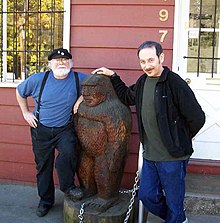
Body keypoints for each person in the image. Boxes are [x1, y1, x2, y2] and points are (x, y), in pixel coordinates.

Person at [92, 41, 205, 223]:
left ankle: (176, 218)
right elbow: (128, 96)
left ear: (161, 58)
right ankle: (177, 219)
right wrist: (113, 76)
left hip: (173, 158)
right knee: (147, 196)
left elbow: (197, 117)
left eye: (151, 60)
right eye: (142, 62)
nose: (147, 66)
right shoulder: (143, 82)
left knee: (174, 202)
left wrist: (179, 138)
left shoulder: (174, 83)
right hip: (150, 156)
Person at [16, 48, 87, 217]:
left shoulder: (79, 78)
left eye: (64, 60)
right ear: (50, 64)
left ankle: (68, 187)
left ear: (71, 63)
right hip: (41, 129)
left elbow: (97, 84)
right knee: (43, 166)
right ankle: (45, 201)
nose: (61, 63)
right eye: (56, 60)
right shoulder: (39, 79)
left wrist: (81, 98)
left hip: (64, 128)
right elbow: (19, 91)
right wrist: (25, 112)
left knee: (69, 153)